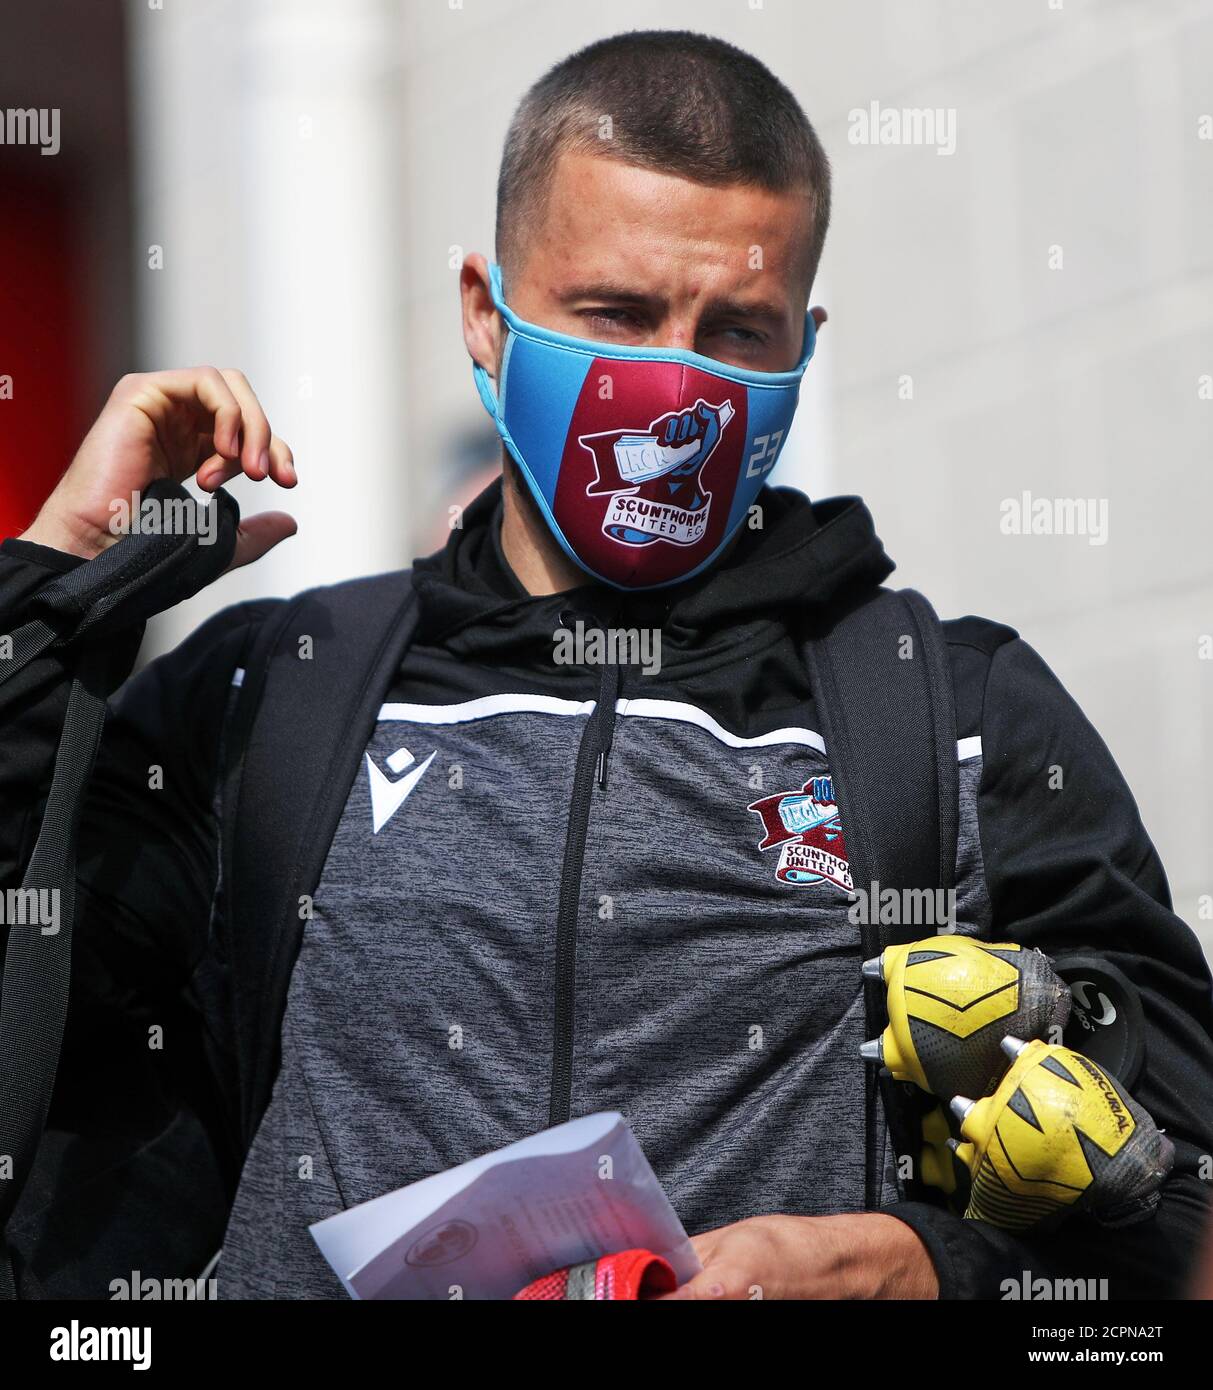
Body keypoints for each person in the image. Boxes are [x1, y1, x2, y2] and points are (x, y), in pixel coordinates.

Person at [3, 30, 1211, 1301]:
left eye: (736, 332)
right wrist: (48, 590)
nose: (674, 379)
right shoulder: (270, 694)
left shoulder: (956, 718)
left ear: (804, 345)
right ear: (485, 314)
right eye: (618, 314)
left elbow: (1177, 1205)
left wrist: (906, 1268)